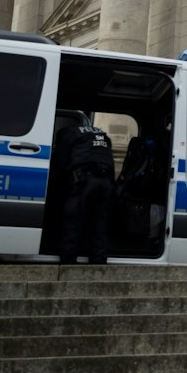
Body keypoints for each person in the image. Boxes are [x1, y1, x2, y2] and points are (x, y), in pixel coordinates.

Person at [53, 109, 116, 264]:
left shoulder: (68, 135)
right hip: (105, 182)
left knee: (73, 221)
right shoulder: (101, 134)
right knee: (100, 224)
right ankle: (98, 265)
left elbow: (59, 163)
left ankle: (67, 265)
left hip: (83, 181)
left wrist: (56, 187)